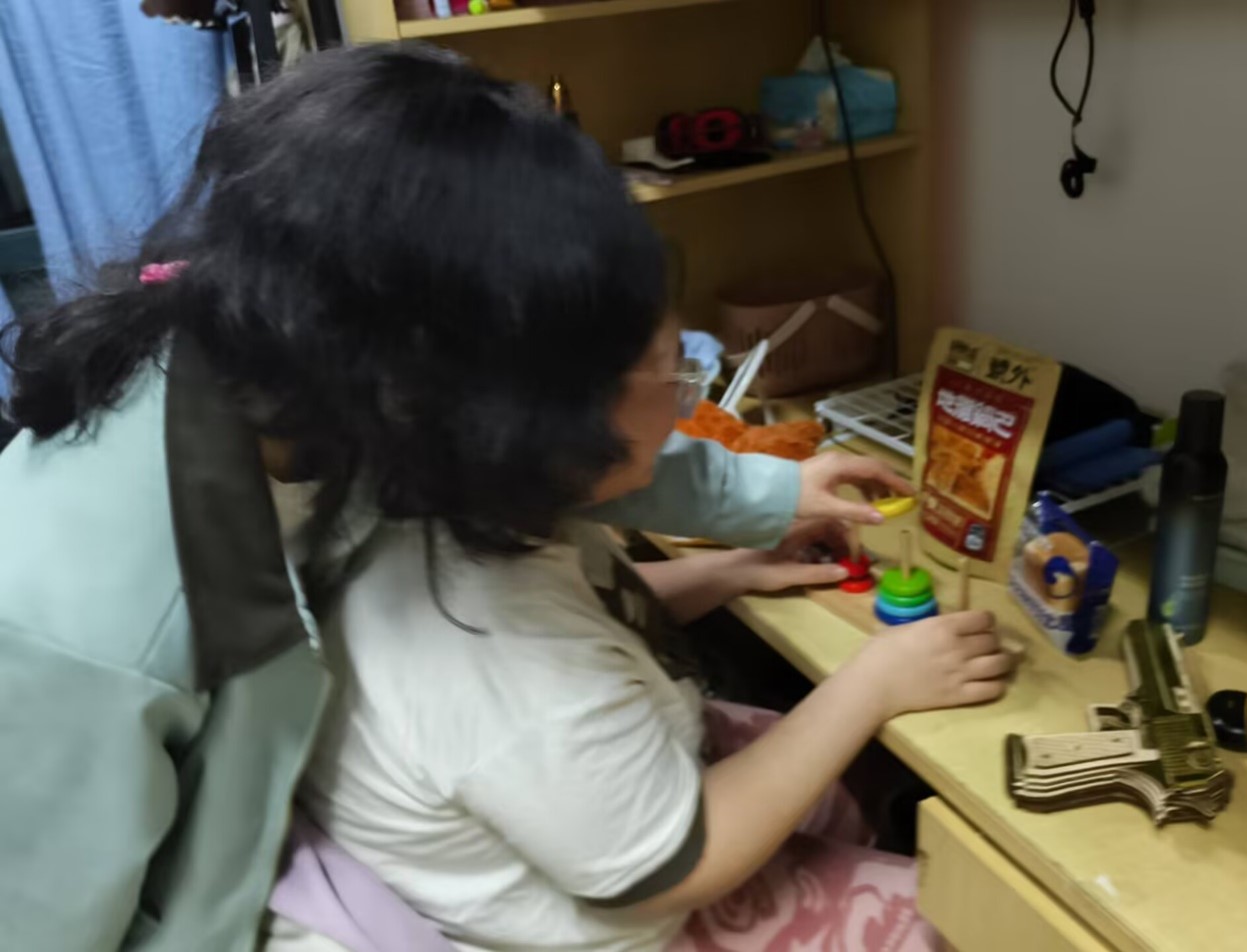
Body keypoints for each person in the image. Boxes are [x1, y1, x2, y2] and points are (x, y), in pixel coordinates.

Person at [0, 45, 913, 952]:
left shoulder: (325, 356)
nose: (655, 399)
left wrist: (770, 490)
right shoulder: (90, 628)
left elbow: (568, 441)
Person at [259, 54, 1015, 952]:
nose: (689, 404)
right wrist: (872, 684)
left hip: (582, 818)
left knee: (832, 774)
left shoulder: (431, 505)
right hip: (638, 905)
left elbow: (579, 637)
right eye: (672, 375)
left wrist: (728, 572)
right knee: (953, 920)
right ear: (545, 425)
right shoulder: (492, 659)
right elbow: (678, 865)